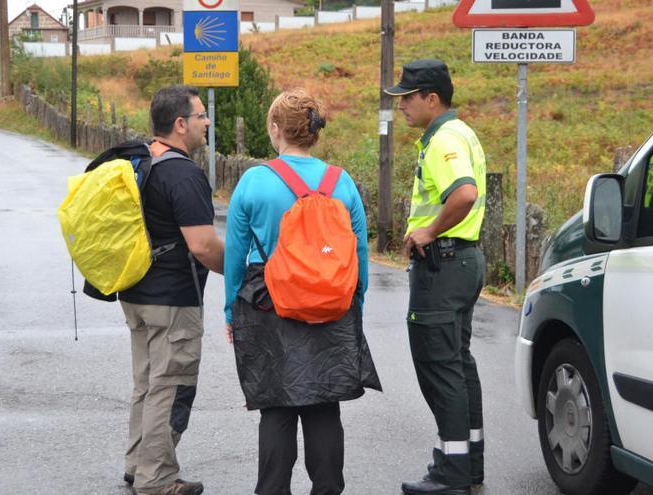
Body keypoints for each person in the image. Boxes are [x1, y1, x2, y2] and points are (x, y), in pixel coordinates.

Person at [224, 89, 382, 495]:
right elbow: (359, 255)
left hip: (269, 304)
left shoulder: (254, 182)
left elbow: (236, 260)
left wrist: (230, 314)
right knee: (324, 406)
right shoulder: (341, 183)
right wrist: (354, 305)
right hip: (332, 306)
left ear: (276, 129)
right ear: (313, 133)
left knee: (277, 407)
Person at [384, 59, 487, 495]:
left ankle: (452, 473)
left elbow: (464, 193)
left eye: (407, 97)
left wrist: (428, 229)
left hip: (442, 266)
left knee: (439, 367)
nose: (401, 106)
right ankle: (468, 460)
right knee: (458, 366)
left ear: (432, 98)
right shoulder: (459, 133)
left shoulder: (445, 138)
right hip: (462, 261)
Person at [119, 85, 224, 495]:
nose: (207, 122)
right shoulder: (182, 172)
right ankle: (157, 478)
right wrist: (239, 272)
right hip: (172, 300)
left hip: (136, 292)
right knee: (172, 384)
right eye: (201, 117)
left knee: (147, 382)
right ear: (181, 124)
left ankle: (137, 463)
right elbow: (202, 245)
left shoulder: (140, 159)